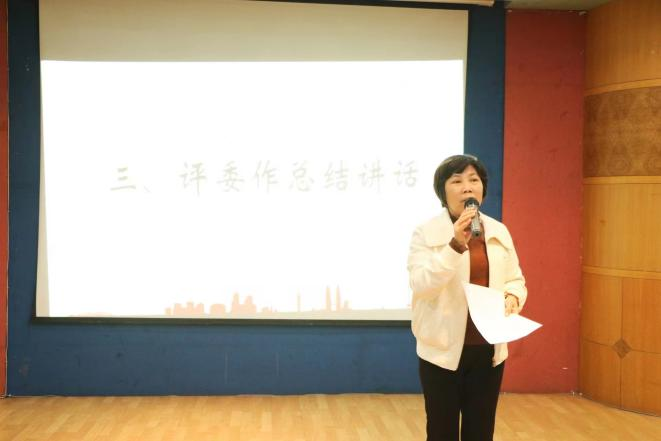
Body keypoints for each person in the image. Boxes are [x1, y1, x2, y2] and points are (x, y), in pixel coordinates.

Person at [407, 154, 527, 441]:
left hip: (488, 351)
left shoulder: (498, 231)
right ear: (442, 191)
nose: (467, 187)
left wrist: (512, 297)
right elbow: (422, 285)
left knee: (481, 431)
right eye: (457, 181)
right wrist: (454, 245)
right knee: (442, 431)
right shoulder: (426, 233)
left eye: (474, 180)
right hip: (442, 350)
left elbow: (515, 279)